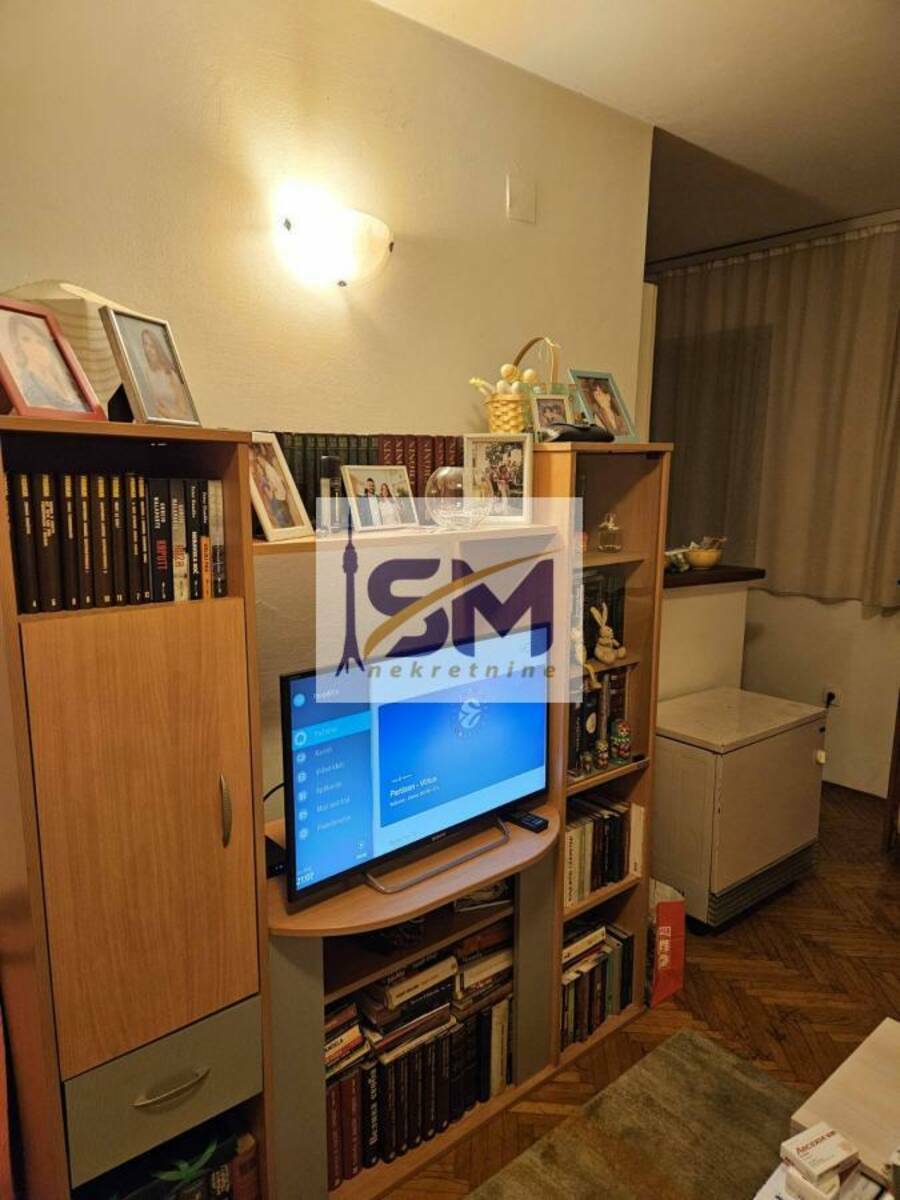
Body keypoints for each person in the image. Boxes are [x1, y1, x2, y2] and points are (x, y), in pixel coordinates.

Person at [7, 314, 85, 410]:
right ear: (18, 346)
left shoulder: (64, 376)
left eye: (39, 342)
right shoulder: (27, 381)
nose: (35, 347)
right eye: (26, 340)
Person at [136, 326, 194, 421]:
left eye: (152, 346)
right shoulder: (146, 373)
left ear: (157, 348)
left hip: (175, 423)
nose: (148, 349)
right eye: (145, 344)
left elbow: (184, 414)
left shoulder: (171, 374)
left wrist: (163, 412)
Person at [253, 445, 293, 527]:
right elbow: (270, 495)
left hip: (278, 496)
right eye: (259, 464)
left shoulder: (268, 470)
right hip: (276, 500)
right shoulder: (264, 478)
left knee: (284, 516)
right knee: (282, 518)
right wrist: (272, 488)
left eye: (260, 461)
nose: (260, 464)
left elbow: (275, 482)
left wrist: (274, 486)